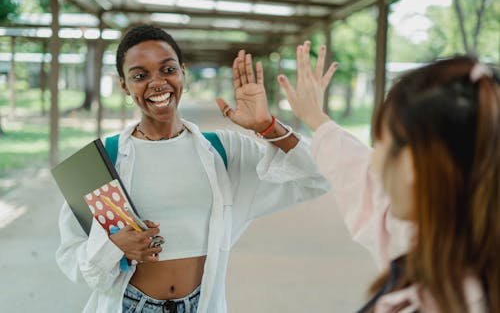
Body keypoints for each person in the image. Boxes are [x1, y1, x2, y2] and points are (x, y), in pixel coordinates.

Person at [55, 25, 331, 313]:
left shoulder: (224, 152)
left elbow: (318, 176)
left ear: (183, 72)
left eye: (167, 69)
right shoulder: (98, 163)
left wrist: (268, 126)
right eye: (140, 75)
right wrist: (114, 247)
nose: (157, 82)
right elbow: (73, 259)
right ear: (124, 85)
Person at [279, 41, 499, 312]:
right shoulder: (441, 237)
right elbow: (361, 177)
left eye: (379, 141)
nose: (373, 161)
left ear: (410, 166)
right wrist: (316, 118)